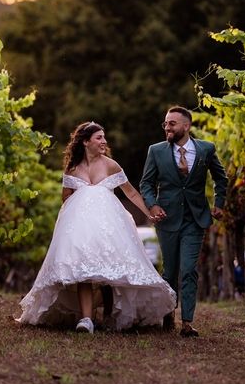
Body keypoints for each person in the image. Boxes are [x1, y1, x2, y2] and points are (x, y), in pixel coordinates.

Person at [17, 121, 176, 334]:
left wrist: (149, 213)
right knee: (84, 270)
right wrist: (69, 225)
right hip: (81, 226)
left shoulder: (111, 165)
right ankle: (86, 319)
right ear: (85, 142)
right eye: (99, 138)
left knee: (108, 271)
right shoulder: (72, 169)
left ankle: (110, 314)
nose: (104, 141)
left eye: (104, 137)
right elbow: (66, 198)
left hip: (108, 224)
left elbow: (131, 193)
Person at [140, 106, 228, 337]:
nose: (167, 127)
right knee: (170, 270)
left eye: (172, 123)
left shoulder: (206, 149)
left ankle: (187, 322)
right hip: (167, 218)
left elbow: (221, 178)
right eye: (165, 123)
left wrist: (219, 203)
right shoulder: (156, 151)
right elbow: (146, 184)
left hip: (195, 218)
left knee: (188, 270)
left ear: (186, 126)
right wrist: (153, 204)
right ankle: (168, 313)